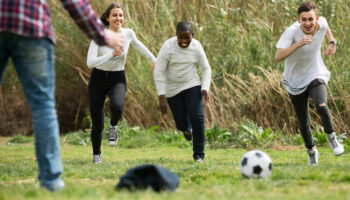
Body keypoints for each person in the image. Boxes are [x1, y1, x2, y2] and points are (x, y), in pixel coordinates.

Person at [0, 0, 124, 191]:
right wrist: (101, 35)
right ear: (108, 17)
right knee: (43, 106)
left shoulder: (127, 34)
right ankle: (51, 180)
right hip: (32, 26)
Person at [275, 1, 344, 166]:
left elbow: (326, 27)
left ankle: (332, 139)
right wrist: (299, 44)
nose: (307, 23)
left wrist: (332, 42)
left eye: (310, 19)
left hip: (316, 73)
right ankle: (312, 152)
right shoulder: (291, 32)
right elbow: (278, 57)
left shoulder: (321, 23)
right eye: (304, 19)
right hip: (295, 80)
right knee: (303, 121)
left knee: (321, 105)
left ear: (316, 18)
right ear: (298, 19)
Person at [86, 3, 156, 164]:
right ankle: (97, 155)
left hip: (117, 77)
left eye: (121, 15)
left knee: (117, 107)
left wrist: (154, 59)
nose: (118, 18)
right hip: (97, 79)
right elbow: (90, 62)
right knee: (97, 122)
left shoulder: (128, 33)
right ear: (107, 18)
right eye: (115, 15)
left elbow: (139, 45)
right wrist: (110, 55)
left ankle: (114, 126)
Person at [154, 21, 211, 163]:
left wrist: (205, 87)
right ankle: (186, 129)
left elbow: (206, 68)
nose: (184, 41)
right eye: (181, 38)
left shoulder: (197, 46)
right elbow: (159, 70)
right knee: (181, 123)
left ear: (193, 35)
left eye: (188, 38)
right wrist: (161, 95)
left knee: (197, 118)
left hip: (192, 84)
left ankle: (199, 155)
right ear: (176, 35)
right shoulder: (168, 47)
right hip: (172, 89)